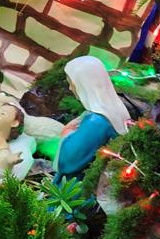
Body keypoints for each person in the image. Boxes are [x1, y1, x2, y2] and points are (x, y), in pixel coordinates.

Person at [53, 56, 132, 184]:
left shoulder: (96, 122)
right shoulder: (116, 109)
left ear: (84, 84)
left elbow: (68, 161)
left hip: (80, 186)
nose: (70, 88)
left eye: (72, 83)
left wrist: (67, 133)